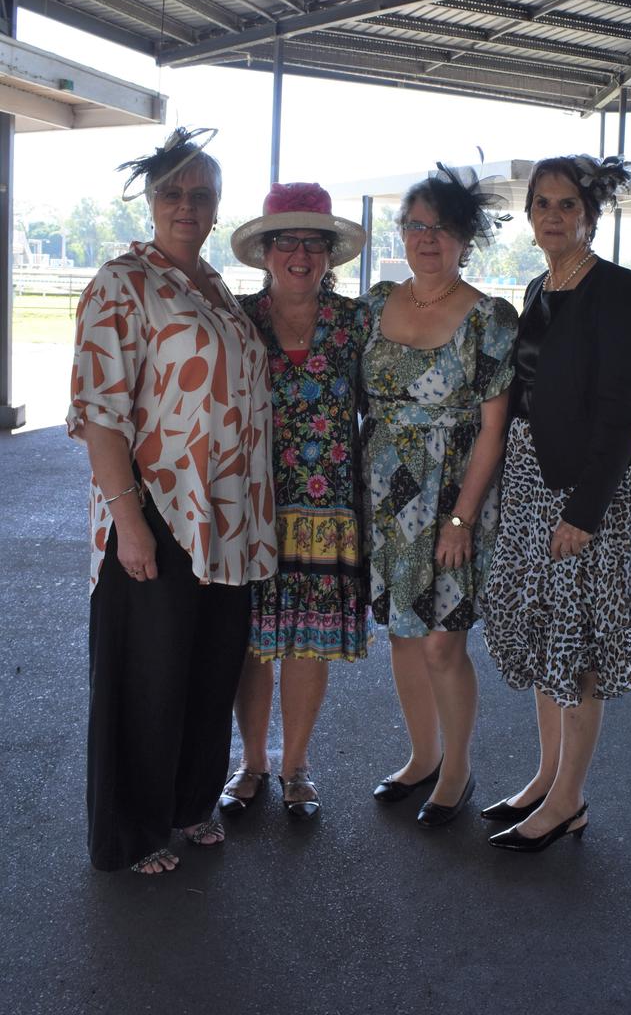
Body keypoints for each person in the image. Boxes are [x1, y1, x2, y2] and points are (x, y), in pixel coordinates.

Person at [67, 128, 277, 873]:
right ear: (151, 202)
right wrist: (129, 523)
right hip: (156, 507)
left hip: (229, 518)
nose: (186, 205)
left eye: (201, 193)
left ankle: (189, 804)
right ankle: (134, 832)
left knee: (206, 669)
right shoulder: (123, 282)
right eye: (172, 193)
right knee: (146, 677)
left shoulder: (214, 287)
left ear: (218, 206)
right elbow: (99, 412)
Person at [482, 154, 631, 852]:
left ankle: (569, 801)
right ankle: (546, 779)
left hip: (585, 493)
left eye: (566, 204)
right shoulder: (537, 287)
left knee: (577, 642)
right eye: (542, 204)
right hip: (529, 484)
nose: (554, 215)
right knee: (544, 633)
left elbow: (622, 409)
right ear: (529, 216)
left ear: (589, 213)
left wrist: (583, 511)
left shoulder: (618, 289)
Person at [361, 163, 518, 828]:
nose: (427, 238)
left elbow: (493, 428)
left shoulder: (489, 318)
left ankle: (456, 767)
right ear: (401, 233)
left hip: (451, 495)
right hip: (382, 493)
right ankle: (421, 755)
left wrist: (462, 516)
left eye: (442, 227)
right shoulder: (375, 303)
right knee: (401, 634)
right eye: (415, 225)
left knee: (441, 644)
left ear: (465, 238)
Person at [221, 183, 370, 819]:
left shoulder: (357, 323)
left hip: (329, 513)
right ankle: (251, 762)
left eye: (315, 242)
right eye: (288, 240)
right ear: (265, 252)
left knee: (307, 644)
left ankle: (296, 765)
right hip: (251, 507)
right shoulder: (237, 318)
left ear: (330, 255)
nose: (302, 254)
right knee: (253, 644)